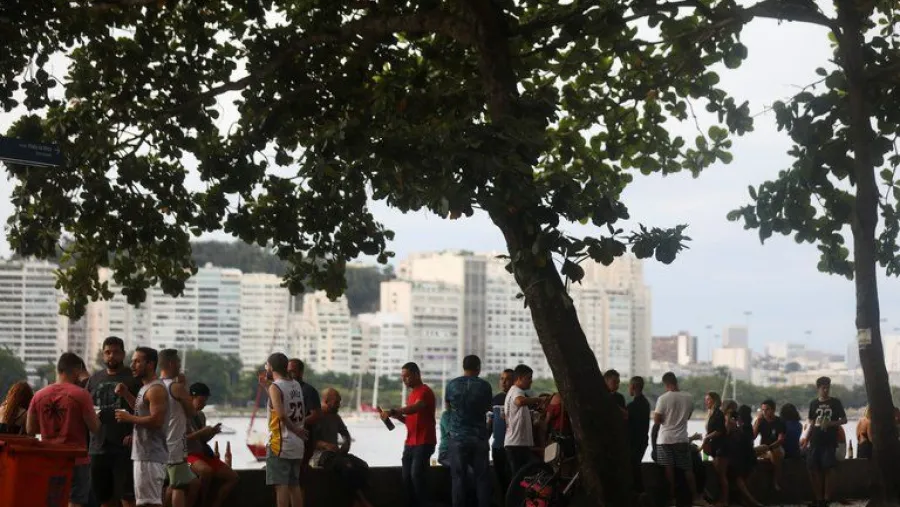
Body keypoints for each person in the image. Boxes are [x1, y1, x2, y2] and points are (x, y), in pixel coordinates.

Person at [26, 352, 99, 507]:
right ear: (78, 370)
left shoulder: (38, 396)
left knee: (51, 501)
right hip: (76, 459)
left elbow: (30, 430)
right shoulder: (81, 395)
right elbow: (95, 427)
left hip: (49, 458)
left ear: (58, 370)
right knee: (75, 502)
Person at [87, 336, 142, 507]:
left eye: (116, 352)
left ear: (123, 354)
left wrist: (134, 433)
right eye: (107, 352)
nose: (111, 356)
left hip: (124, 446)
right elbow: (86, 407)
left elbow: (144, 410)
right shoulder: (94, 379)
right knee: (104, 498)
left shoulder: (133, 379)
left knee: (128, 497)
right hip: (98, 446)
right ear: (103, 355)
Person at [114, 347, 169, 507]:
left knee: (149, 503)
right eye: (132, 361)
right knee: (144, 501)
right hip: (143, 454)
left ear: (150, 364)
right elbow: (141, 410)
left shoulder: (156, 389)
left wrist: (129, 418)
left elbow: (157, 420)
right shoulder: (145, 388)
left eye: (137, 361)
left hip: (150, 455)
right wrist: (126, 395)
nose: (132, 365)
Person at [380, 362, 436, 507]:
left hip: (424, 441)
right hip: (411, 442)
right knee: (406, 477)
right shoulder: (411, 395)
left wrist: (394, 411)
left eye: (407, 376)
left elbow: (416, 408)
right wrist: (396, 416)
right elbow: (409, 420)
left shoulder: (424, 391)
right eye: (402, 377)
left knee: (417, 475)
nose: (404, 380)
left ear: (417, 374)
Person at [312, 388, 374, 507]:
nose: (339, 405)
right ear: (326, 401)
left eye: (339, 402)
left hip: (335, 454)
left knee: (362, 466)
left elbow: (345, 434)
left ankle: (357, 500)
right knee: (346, 467)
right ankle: (361, 500)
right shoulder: (316, 416)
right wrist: (325, 445)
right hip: (320, 455)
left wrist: (346, 444)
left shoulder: (336, 417)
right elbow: (310, 441)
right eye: (336, 402)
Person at [445, 355, 493, 507]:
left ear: (463, 367)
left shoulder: (452, 385)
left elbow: (448, 408)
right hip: (478, 437)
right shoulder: (485, 386)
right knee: (482, 478)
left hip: (457, 437)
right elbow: (487, 408)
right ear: (478, 368)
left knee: (458, 478)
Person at [653, 372, 707, 506]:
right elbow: (687, 417)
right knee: (688, 469)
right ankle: (695, 496)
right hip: (682, 439)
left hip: (665, 440)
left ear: (666, 384)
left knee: (669, 470)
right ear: (676, 382)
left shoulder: (663, 398)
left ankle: (672, 498)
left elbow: (657, 420)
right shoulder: (688, 397)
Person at [155, 349, 200, 507]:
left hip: (156, 445)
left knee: (164, 486)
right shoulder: (176, 388)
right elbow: (192, 411)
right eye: (179, 363)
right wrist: (184, 386)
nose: (180, 366)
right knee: (179, 487)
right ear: (172, 363)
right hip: (174, 445)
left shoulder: (153, 386)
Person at [266, 352, 309, 507]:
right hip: (297, 444)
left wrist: (295, 430)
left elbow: (281, 415)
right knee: (294, 485)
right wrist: (298, 431)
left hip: (281, 443)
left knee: (281, 486)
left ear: (270, 367)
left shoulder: (275, 386)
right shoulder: (295, 384)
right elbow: (281, 402)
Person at [186, 383, 239, 507]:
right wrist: (201, 432)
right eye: (201, 400)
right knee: (206, 471)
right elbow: (180, 440)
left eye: (205, 401)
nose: (204, 404)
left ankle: (215, 504)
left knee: (233, 477)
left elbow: (203, 439)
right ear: (191, 398)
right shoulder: (182, 415)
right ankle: (202, 502)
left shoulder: (200, 415)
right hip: (188, 454)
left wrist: (212, 433)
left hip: (202, 453)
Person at [802, 376, 846, 507]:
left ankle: (827, 498)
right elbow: (811, 422)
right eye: (823, 388)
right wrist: (806, 439)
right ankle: (818, 498)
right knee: (813, 468)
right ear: (818, 389)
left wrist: (831, 423)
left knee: (829, 469)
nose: (826, 390)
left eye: (828, 387)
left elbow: (844, 420)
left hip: (829, 440)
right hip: (815, 440)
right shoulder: (813, 403)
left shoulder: (835, 402)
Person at [504, 364, 547, 479]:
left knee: (521, 477)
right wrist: (539, 399)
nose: (531, 381)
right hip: (517, 445)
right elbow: (519, 401)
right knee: (532, 471)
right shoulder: (517, 391)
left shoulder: (512, 392)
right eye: (529, 378)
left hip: (515, 443)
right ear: (519, 378)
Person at [288, 358, 322, 480]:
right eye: (287, 371)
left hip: (304, 442)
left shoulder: (309, 391)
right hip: (290, 441)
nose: (289, 374)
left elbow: (316, 415)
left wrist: (295, 425)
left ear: (301, 372)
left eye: (293, 371)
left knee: (299, 477)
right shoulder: (287, 390)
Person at [488, 369, 514, 494]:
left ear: (514, 381)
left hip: (513, 446)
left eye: (508, 379)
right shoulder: (495, 399)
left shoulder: (521, 399)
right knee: (501, 481)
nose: (504, 382)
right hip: (497, 446)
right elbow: (490, 423)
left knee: (512, 480)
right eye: (502, 378)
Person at [753, 398, 786, 490]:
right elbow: (753, 437)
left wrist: (770, 447)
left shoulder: (779, 421)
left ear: (773, 410)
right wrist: (757, 423)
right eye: (763, 410)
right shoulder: (760, 421)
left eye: (767, 409)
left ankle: (776, 482)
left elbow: (781, 439)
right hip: (764, 448)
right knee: (749, 452)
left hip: (776, 447)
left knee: (776, 452)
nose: (764, 412)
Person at [701, 392, 727, 507]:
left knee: (721, 475)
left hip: (720, 447)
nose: (706, 402)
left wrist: (707, 437)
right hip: (713, 447)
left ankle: (725, 500)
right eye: (706, 400)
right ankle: (718, 499)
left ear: (714, 401)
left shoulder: (718, 414)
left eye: (708, 400)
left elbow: (720, 431)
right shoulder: (710, 413)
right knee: (717, 474)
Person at [626, 376, 650, 494]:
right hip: (642, 440)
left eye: (629, 386)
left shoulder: (634, 406)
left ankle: (640, 493)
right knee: (636, 467)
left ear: (634, 387)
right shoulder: (645, 403)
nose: (628, 388)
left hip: (635, 442)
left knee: (634, 468)